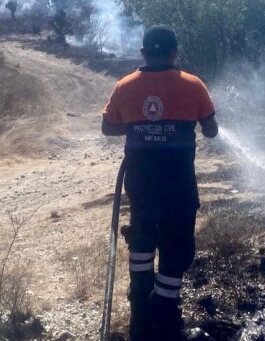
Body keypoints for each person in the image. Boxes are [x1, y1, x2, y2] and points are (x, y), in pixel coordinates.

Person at [101, 25, 218, 341]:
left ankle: (140, 315)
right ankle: (165, 314)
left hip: (141, 186)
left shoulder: (125, 86)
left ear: (143, 53)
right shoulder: (193, 85)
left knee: (142, 242)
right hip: (179, 187)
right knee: (175, 249)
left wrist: (138, 126)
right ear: (174, 53)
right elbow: (211, 131)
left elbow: (107, 128)